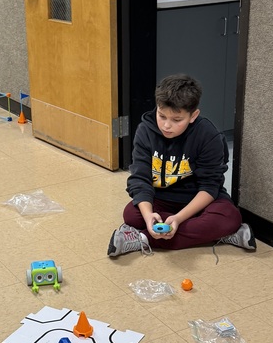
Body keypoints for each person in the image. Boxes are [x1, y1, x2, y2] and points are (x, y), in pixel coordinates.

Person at [107, 73, 255, 256]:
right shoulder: (145, 130)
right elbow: (140, 179)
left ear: (193, 115)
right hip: (161, 199)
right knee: (132, 214)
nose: (166, 126)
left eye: (177, 120)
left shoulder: (209, 136)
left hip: (197, 201)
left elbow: (210, 187)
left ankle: (141, 239)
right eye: (161, 116)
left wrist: (178, 219)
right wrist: (148, 216)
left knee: (229, 217)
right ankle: (218, 235)